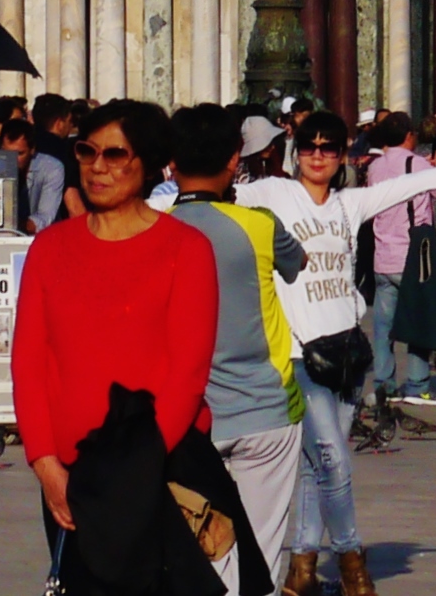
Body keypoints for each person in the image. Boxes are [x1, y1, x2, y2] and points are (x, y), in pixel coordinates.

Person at [247, 108, 436, 596]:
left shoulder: (351, 203)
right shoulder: (273, 195)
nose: (318, 156)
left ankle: (302, 567)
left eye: (328, 147)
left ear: (344, 154)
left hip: (346, 351)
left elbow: (410, 187)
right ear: (294, 152)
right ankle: (351, 561)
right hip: (301, 355)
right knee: (334, 462)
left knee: (318, 465)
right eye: (308, 147)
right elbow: (204, 198)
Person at [16, 101, 220, 593]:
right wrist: (45, 464)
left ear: (148, 164)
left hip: (161, 472)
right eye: (87, 152)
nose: (97, 167)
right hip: (72, 478)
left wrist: (132, 475)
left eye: (114, 154)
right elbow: (28, 363)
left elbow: (187, 374)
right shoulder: (50, 248)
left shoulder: (186, 249)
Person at [166, 102, 303, 569]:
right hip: (264, 409)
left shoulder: (155, 229)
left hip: (184, 418)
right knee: (258, 559)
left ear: (171, 163)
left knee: (201, 554)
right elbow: (297, 263)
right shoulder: (259, 224)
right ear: (234, 160)